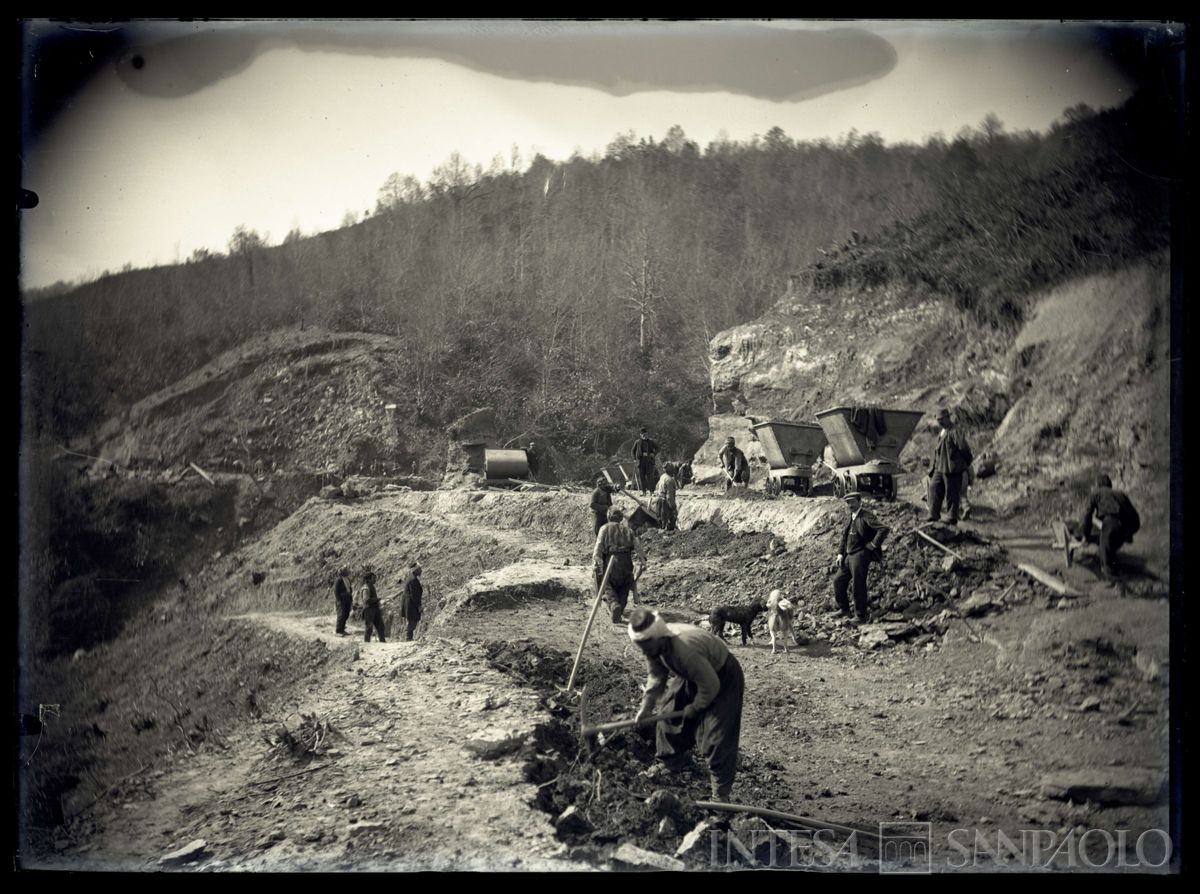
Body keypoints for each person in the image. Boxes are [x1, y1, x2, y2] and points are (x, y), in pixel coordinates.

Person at [628, 607, 744, 801]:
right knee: (669, 711)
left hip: (722, 676)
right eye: (640, 644)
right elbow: (656, 677)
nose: (643, 649)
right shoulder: (654, 647)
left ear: (656, 636)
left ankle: (721, 794)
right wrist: (646, 709)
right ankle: (670, 763)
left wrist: (695, 707)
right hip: (691, 674)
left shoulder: (684, 649)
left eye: (645, 644)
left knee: (717, 734)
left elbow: (710, 685)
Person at [832, 491, 890, 623]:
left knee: (858, 585)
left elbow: (884, 529)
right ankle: (844, 609)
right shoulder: (851, 517)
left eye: (852, 502)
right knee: (838, 581)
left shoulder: (866, 516)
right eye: (848, 502)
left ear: (859, 502)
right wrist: (840, 554)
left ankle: (860, 615)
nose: (850, 505)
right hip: (848, 556)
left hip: (860, 555)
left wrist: (873, 544)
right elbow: (845, 537)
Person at [1075, 474, 1141, 580]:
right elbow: (1134, 516)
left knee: (1104, 548)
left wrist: (1085, 535)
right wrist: (1129, 534)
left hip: (1111, 521)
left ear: (1098, 484)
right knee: (1112, 541)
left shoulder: (1096, 493)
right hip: (1128, 524)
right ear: (1110, 484)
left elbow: (1087, 515)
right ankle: (1114, 565)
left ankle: (1113, 579)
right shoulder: (1120, 494)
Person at [592, 507, 647, 624]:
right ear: (621, 519)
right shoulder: (628, 530)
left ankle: (614, 604)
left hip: (611, 559)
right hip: (626, 561)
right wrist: (643, 560)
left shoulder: (604, 528)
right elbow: (638, 547)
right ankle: (620, 607)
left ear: (608, 517)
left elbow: (599, 546)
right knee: (625, 585)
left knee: (608, 584)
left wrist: (596, 561)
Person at [927, 408, 973, 524]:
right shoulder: (942, 432)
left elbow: (964, 448)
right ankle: (933, 515)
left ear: (948, 418)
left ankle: (952, 518)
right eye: (938, 420)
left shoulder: (954, 431)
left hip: (951, 469)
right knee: (933, 488)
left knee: (952, 493)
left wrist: (964, 463)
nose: (940, 422)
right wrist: (933, 467)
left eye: (942, 419)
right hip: (939, 468)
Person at [631, 427, 659, 494]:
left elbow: (658, 448)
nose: (644, 436)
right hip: (641, 462)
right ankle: (643, 492)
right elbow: (632, 451)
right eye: (643, 435)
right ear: (640, 435)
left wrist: (653, 454)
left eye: (646, 434)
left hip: (649, 462)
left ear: (647, 434)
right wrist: (634, 459)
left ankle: (652, 491)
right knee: (642, 478)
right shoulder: (637, 442)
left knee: (650, 477)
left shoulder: (651, 441)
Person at [652, 462, 679, 532]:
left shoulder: (662, 476)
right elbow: (669, 496)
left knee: (662, 521)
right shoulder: (670, 480)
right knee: (669, 523)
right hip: (665, 503)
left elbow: (657, 488)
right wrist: (673, 508)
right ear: (671, 470)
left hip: (660, 501)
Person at [400, 564, 423, 640]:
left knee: (412, 621)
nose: (421, 571)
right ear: (415, 570)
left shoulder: (411, 578)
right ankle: (408, 637)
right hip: (411, 604)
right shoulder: (413, 580)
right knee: (412, 621)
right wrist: (418, 606)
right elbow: (414, 595)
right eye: (419, 569)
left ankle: (409, 637)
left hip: (410, 604)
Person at [362, 571, 386, 642]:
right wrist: (377, 599)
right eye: (373, 578)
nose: (375, 579)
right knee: (369, 628)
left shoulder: (371, 586)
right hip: (368, 610)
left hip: (375, 609)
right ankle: (366, 643)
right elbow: (366, 600)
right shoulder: (366, 588)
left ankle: (382, 641)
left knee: (381, 626)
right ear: (369, 579)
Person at [333, 567, 353, 636]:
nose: (347, 572)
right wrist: (339, 600)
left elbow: (349, 589)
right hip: (341, 599)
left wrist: (350, 598)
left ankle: (342, 629)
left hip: (347, 598)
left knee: (346, 614)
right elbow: (336, 591)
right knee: (341, 614)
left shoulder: (347, 579)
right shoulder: (339, 580)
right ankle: (338, 631)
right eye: (346, 571)